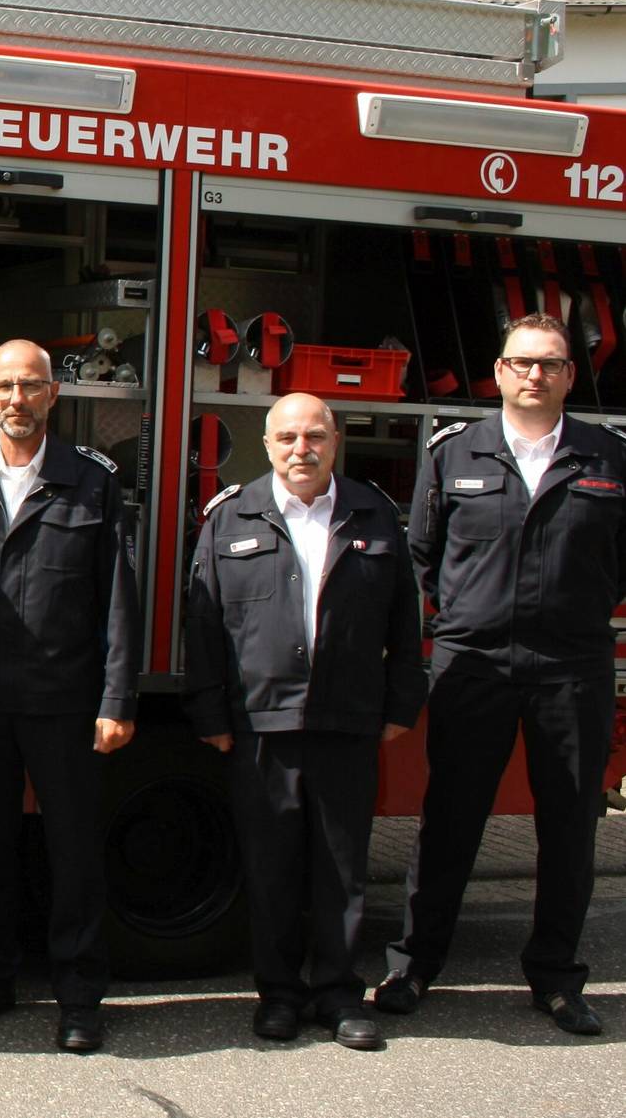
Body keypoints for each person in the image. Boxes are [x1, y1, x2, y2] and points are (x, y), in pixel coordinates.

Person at [377, 313, 626, 1036]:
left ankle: (556, 978)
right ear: (499, 370)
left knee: (570, 828)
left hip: (572, 665)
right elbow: (421, 552)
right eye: (522, 362)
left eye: (550, 363)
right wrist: (459, 618)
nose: (535, 375)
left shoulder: (608, 457)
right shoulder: (456, 453)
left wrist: (577, 611)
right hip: (473, 663)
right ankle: (415, 965)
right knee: (449, 821)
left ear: (570, 376)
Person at [184, 392, 423, 1050]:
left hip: (347, 720)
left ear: (335, 439)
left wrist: (402, 704)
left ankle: (340, 995)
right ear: (267, 444)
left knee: (342, 868)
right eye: (287, 436)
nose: (301, 448)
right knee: (271, 869)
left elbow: (407, 619)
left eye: (314, 434)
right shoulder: (231, 517)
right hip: (262, 723)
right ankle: (280, 996)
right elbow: (202, 625)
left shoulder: (373, 513)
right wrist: (210, 711)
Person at [0, 337, 139, 1053]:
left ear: (54, 394)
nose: (18, 398)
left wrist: (117, 698)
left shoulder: (92, 481)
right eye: (5, 386)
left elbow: (117, 601)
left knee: (73, 853)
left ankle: (78, 995)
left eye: (32, 386)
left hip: (63, 701)